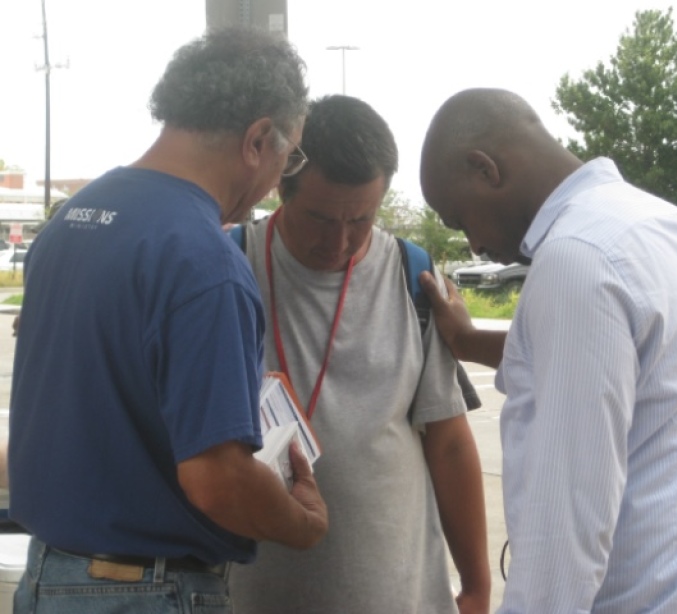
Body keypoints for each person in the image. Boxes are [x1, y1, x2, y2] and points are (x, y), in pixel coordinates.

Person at [8, 27, 328, 613]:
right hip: (144, 589)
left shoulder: (72, 219)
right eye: (291, 155)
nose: (280, 178)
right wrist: (302, 522)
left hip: (48, 576)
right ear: (259, 139)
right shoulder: (206, 262)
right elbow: (217, 480)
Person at [418, 88, 677, 612]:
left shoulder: (576, 258)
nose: (476, 247)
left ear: (484, 168)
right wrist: (465, 341)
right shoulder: (659, 221)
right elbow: (631, 369)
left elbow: (568, 520)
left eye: (461, 220)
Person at [228, 94, 491, 614]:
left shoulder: (413, 277)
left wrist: (477, 587)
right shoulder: (230, 267)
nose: (340, 241)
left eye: (361, 220)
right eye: (321, 219)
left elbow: (450, 443)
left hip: (397, 594)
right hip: (254, 595)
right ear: (282, 182)